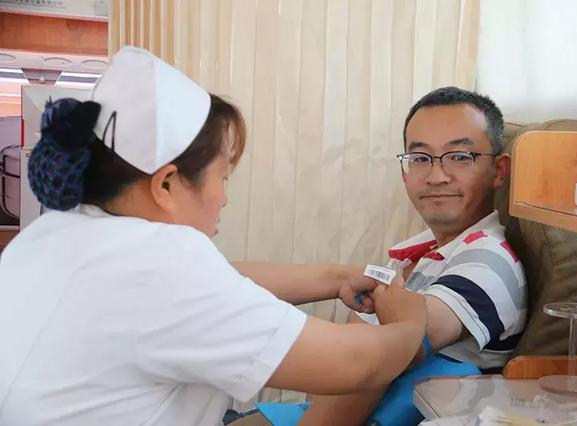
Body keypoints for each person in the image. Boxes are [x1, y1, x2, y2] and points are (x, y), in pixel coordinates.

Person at [0, 46, 428, 426]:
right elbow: (356, 364)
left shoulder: (54, 233)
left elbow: (225, 280)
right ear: (167, 184)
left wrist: (337, 278)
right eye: (222, 176)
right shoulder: (163, 265)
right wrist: (412, 318)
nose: (225, 197)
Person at [300, 87, 527, 425]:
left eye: (460, 157)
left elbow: (389, 349)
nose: (436, 177)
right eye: (420, 158)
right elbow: (351, 354)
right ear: (405, 171)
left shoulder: (488, 262)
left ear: (499, 171)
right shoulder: (414, 253)